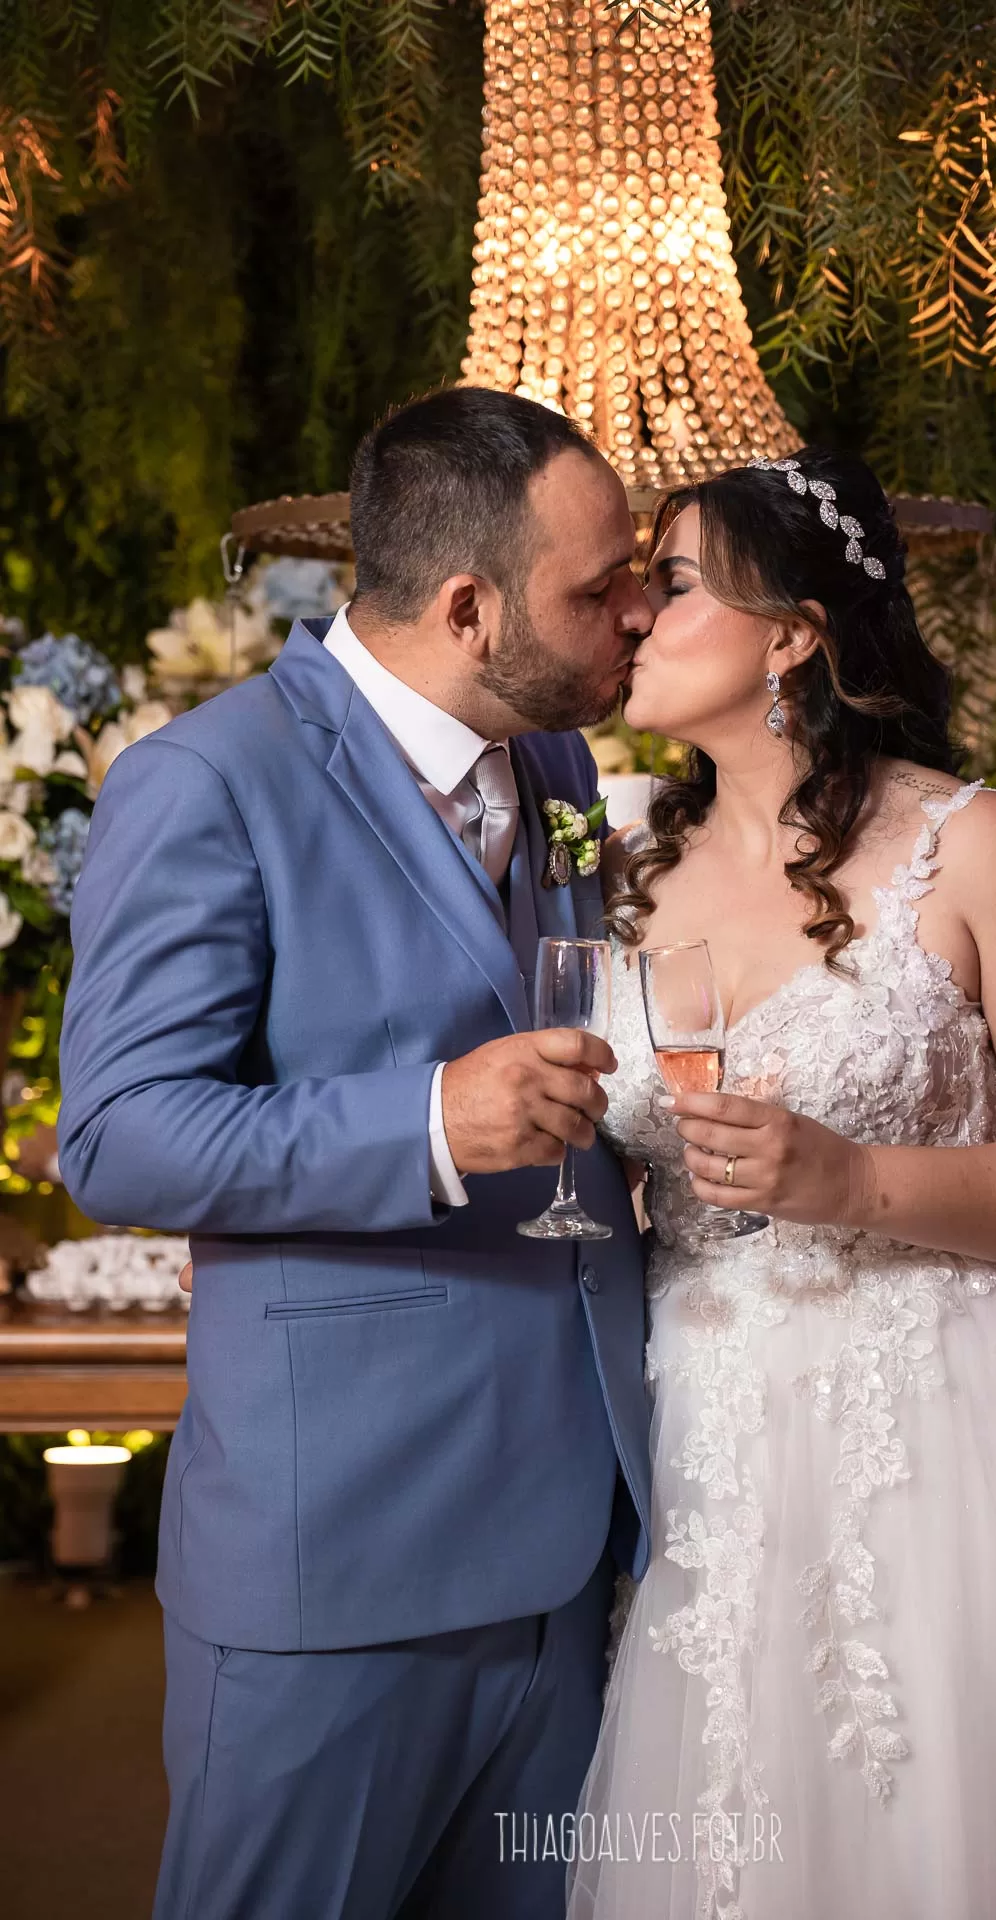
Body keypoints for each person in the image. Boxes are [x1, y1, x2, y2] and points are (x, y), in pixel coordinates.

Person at [567, 450, 996, 1918]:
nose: (632, 611)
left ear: (793, 633)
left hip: (945, 1430)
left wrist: (855, 1178)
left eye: (674, 581)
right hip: (705, 1439)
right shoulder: (619, 873)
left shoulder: (971, 848)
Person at [57, 387, 655, 1920]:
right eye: (600, 589)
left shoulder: (559, 767)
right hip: (341, 1557)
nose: (639, 614)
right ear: (468, 607)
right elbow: (119, 1133)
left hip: (570, 1536)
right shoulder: (209, 781)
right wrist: (429, 1124)